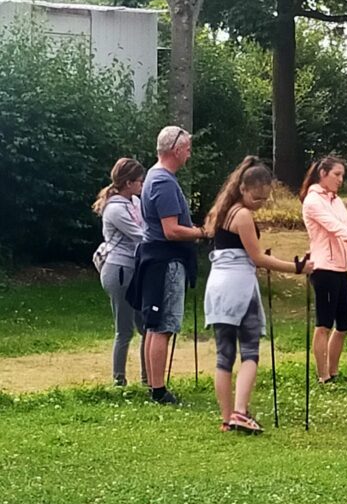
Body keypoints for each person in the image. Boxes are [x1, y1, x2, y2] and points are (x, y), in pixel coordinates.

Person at [203, 157, 313, 433]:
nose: (259, 203)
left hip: (217, 287)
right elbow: (257, 259)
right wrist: (297, 268)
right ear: (242, 188)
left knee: (223, 355)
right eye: (256, 197)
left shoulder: (221, 210)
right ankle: (240, 411)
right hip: (238, 288)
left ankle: (227, 418)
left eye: (264, 199)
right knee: (250, 350)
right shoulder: (241, 215)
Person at [129, 126, 206, 406]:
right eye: (187, 148)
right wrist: (201, 232)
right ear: (175, 150)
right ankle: (158, 390)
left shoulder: (155, 176)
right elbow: (172, 230)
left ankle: (154, 385)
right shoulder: (162, 182)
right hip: (165, 260)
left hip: (157, 258)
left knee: (154, 324)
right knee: (163, 325)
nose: (189, 153)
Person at [300, 156, 347, 383]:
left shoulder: (335, 200)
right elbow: (335, 228)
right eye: (337, 175)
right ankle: (323, 375)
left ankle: (333, 370)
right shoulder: (313, 201)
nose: (340, 180)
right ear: (323, 173)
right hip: (323, 268)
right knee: (324, 323)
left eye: (342, 175)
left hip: (340, 267)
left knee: (344, 324)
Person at [93, 157, 148, 387]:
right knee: (124, 330)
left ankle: (149, 379)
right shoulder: (115, 208)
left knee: (146, 327)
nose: (142, 185)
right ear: (128, 183)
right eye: (139, 181)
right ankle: (119, 381)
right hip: (119, 270)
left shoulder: (133, 201)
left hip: (133, 268)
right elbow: (141, 235)